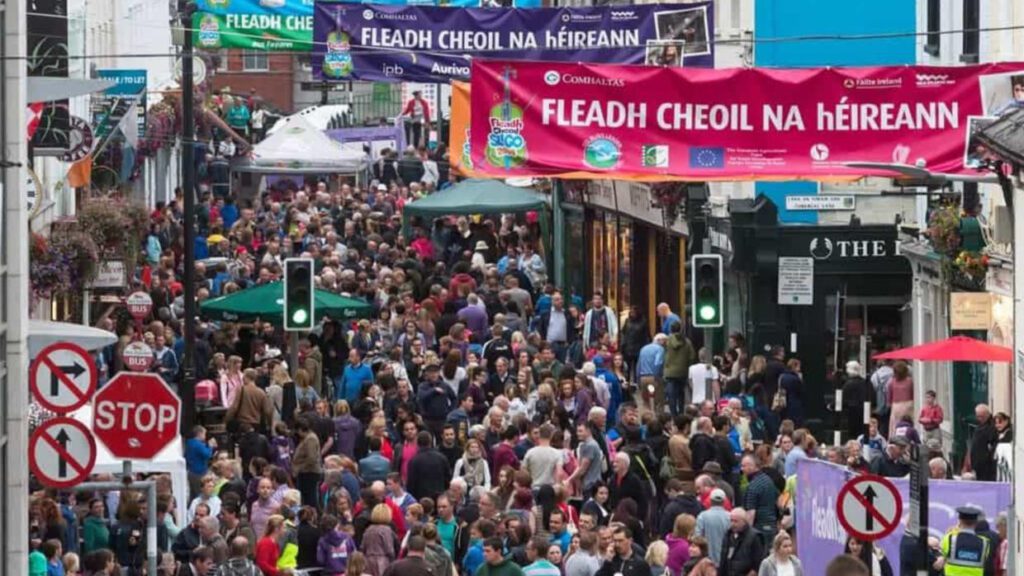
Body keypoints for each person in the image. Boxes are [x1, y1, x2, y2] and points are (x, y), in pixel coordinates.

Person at [940, 506, 994, 576]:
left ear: (960, 520)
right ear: (976, 522)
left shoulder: (949, 538)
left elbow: (940, 559)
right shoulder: (985, 543)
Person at [663, 322, 695, 416]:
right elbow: (692, 356)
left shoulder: (667, 341)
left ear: (671, 329)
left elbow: (662, 354)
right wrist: (687, 365)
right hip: (683, 372)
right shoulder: (687, 342)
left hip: (669, 372)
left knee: (671, 395)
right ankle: (681, 412)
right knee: (681, 394)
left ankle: (673, 414)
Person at [719, 508, 764, 576]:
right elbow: (723, 561)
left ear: (744, 521)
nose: (732, 524)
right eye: (731, 521)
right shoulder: (728, 535)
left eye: (736, 521)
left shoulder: (755, 537)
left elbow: (757, 565)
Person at [696, 489, 731, 564]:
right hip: (725, 559)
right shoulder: (730, 517)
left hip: (707, 559)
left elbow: (697, 536)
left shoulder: (703, 516)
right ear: (724, 501)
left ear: (711, 500)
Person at [964, 404, 999, 481]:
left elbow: (992, 445)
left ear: (987, 415)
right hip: (977, 464)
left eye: (981, 416)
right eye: (978, 416)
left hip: (986, 465)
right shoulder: (979, 426)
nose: (979, 419)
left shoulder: (991, 427)